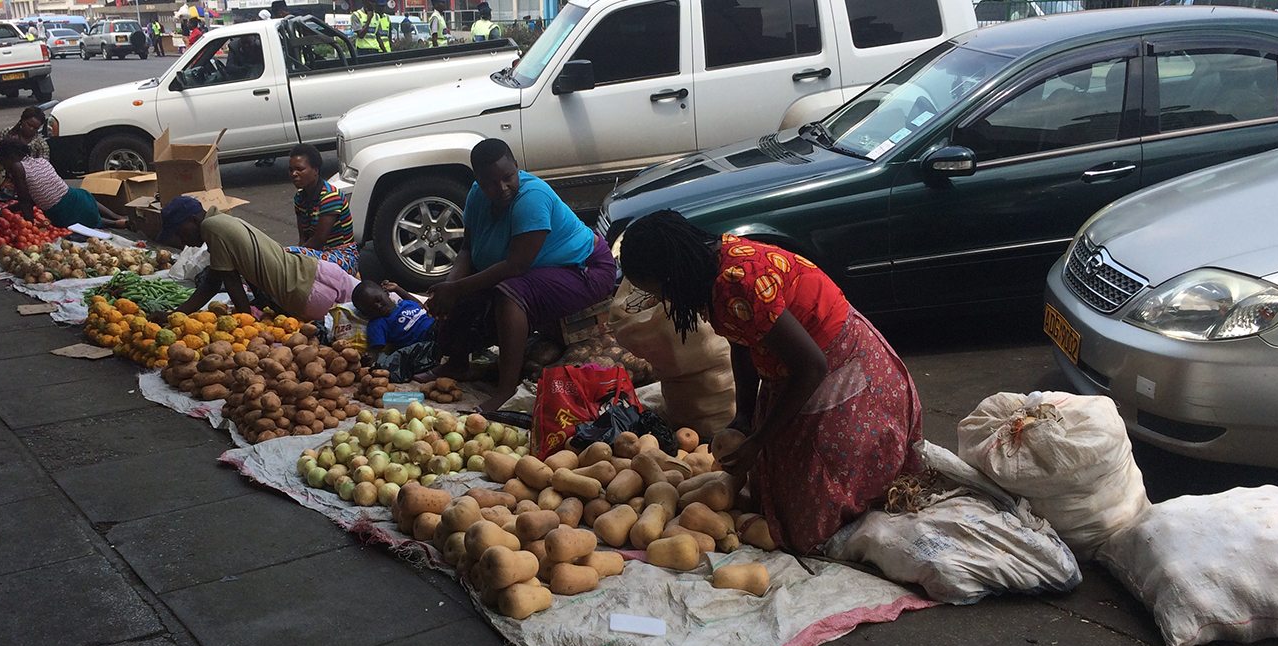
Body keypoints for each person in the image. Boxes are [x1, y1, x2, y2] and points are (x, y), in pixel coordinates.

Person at [617, 210, 924, 554]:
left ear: (670, 273)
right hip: (791, 366)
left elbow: (811, 366)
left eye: (657, 290)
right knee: (769, 490)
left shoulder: (736, 283)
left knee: (804, 525)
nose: (662, 300)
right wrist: (744, 417)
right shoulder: (711, 264)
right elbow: (742, 340)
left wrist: (759, 440)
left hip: (839, 365)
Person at [422, 138, 617, 412]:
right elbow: (467, 250)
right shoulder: (477, 196)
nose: (501, 188)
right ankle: (457, 364)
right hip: (539, 269)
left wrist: (455, 289)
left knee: (510, 293)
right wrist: (449, 287)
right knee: (461, 288)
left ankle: (506, 389)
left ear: (517, 167)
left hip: (585, 268)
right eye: (490, 182)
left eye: (508, 177)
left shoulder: (531, 198)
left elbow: (516, 266)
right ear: (477, 179)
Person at [155, 195, 356, 322]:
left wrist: (246, 326)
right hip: (321, 271)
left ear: (192, 220)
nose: (183, 242)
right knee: (380, 306)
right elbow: (214, 281)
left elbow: (229, 283)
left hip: (306, 294)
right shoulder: (223, 220)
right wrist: (176, 313)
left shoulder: (211, 228)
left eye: (180, 233)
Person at [0, 137, 127, 229]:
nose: (3, 165)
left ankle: (113, 223)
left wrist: (29, 226)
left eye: (2, 161)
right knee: (85, 204)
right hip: (77, 196)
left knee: (82, 221)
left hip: (61, 210)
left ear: (10, 157)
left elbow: (25, 201)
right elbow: (36, 195)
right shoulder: (41, 161)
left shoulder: (17, 167)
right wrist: (7, 210)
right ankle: (117, 217)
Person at [285, 143, 359, 275]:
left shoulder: (330, 197)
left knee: (283, 258)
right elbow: (303, 238)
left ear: (315, 170)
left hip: (342, 257)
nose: (294, 174)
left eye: (299, 169)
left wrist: (293, 258)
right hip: (316, 254)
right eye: (291, 170)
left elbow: (319, 240)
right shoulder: (300, 198)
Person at [353, 279, 440, 382]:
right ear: (366, 314)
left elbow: (422, 306)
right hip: (423, 344)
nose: (379, 306)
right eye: (371, 308)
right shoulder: (377, 323)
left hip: (436, 327)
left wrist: (398, 289)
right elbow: (376, 348)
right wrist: (368, 358)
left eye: (378, 300)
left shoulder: (404, 303)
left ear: (386, 293)